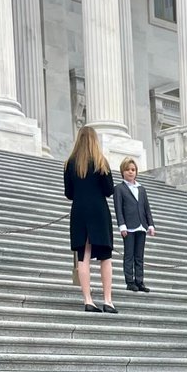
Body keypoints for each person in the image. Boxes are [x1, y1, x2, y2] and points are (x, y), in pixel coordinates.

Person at [63, 125, 117, 313]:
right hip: (98, 210)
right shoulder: (101, 161)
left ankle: (88, 299)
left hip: (79, 210)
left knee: (83, 256)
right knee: (105, 256)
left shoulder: (70, 163)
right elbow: (109, 190)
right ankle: (108, 300)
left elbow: (68, 193)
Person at [113, 156, 155, 293]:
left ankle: (140, 281)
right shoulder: (119, 188)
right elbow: (118, 208)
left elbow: (146, 208)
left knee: (139, 255)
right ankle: (130, 281)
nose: (131, 172)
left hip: (141, 225)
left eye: (133, 169)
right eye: (127, 169)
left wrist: (151, 224)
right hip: (129, 227)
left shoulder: (141, 189)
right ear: (122, 171)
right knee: (129, 254)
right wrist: (122, 225)